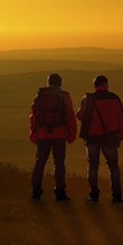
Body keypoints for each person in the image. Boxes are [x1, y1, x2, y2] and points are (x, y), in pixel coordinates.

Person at [77, 75, 123, 203]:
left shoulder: (88, 99)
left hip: (92, 137)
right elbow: (121, 118)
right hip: (110, 137)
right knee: (113, 167)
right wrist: (120, 135)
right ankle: (117, 196)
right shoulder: (115, 98)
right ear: (105, 84)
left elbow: (80, 116)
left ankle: (94, 195)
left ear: (95, 86)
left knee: (93, 166)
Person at [29, 73, 77, 201]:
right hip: (60, 135)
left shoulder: (39, 96)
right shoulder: (64, 96)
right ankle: (60, 193)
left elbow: (33, 116)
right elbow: (70, 115)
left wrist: (33, 133)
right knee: (59, 164)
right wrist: (72, 134)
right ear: (60, 83)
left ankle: (35, 192)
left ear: (48, 83)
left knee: (39, 163)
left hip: (42, 135)